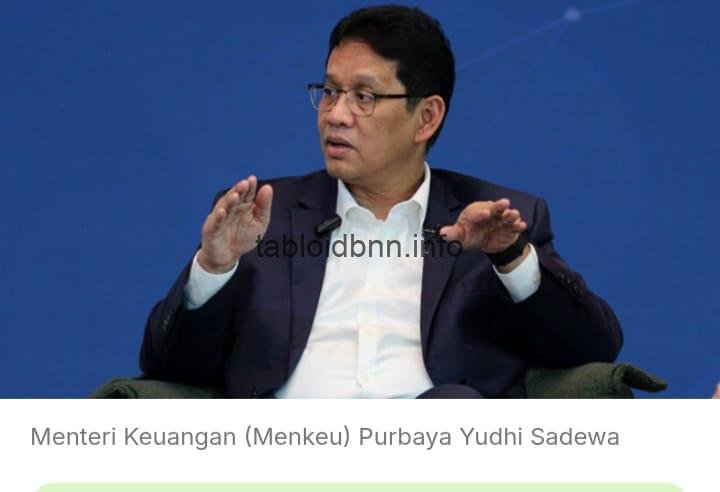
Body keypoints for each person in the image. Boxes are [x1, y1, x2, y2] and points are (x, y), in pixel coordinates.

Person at [140, 5, 623, 398]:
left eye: (364, 97)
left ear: (426, 117)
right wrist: (214, 268)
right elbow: (169, 368)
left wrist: (511, 257)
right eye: (330, 91)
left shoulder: (496, 221)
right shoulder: (261, 215)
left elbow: (591, 347)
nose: (336, 115)